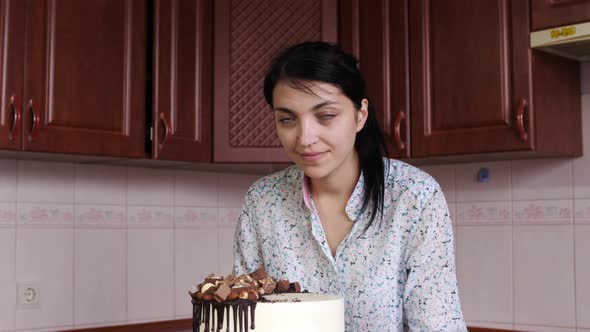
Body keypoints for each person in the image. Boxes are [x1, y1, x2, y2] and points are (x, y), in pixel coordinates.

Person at [233, 41, 467, 331]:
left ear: (360, 115)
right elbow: (245, 318)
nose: (305, 138)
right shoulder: (262, 202)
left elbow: (437, 325)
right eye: (287, 119)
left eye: (326, 116)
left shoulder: (414, 197)